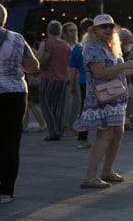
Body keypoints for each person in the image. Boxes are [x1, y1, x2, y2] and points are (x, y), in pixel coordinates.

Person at [78, 14, 133, 189]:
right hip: (102, 98)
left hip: (114, 98)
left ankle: (107, 171)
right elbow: (100, 73)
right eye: (104, 27)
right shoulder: (92, 48)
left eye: (111, 27)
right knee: (105, 134)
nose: (108, 30)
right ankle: (90, 176)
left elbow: (115, 72)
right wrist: (124, 65)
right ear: (94, 30)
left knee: (117, 133)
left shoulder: (107, 47)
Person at [0, 1, 40, 204]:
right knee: (9, 144)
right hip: (14, 94)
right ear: (4, 18)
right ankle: (6, 191)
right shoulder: (16, 38)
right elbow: (33, 67)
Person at [37, 20, 71, 141]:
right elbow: (68, 64)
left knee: (45, 104)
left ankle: (52, 131)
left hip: (48, 77)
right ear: (60, 31)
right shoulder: (66, 45)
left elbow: (39, 59)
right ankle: (59, 129)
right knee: (59, 106)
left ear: (48, 30)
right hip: (62, 79)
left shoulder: (46, 43)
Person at [70, 18, 94, 147]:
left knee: (84, 108)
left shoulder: (77, 47)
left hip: (83, 80)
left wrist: (72, 85)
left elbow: (73, 69)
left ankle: (82, 137)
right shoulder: (97, 45)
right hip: (96, 79)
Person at [60, 22, 81, 137]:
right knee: (68, 102)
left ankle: (71, 124)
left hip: (78, 75)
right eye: (71, 30)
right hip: (66, 76)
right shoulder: (63, 45)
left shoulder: (78, 45)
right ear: (65, 32)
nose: (73, 33)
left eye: (75, 30)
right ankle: (66, 125)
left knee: (77, 102)